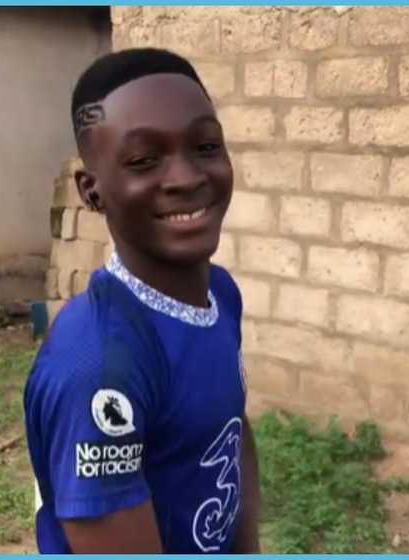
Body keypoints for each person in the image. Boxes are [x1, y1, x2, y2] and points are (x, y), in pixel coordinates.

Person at [23, 47, 261, 554]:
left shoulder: (220, 294)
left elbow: (232, 435)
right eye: (143, 160)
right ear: (92, 192)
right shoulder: (98, 365)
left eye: (205, 146)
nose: (187, 178)